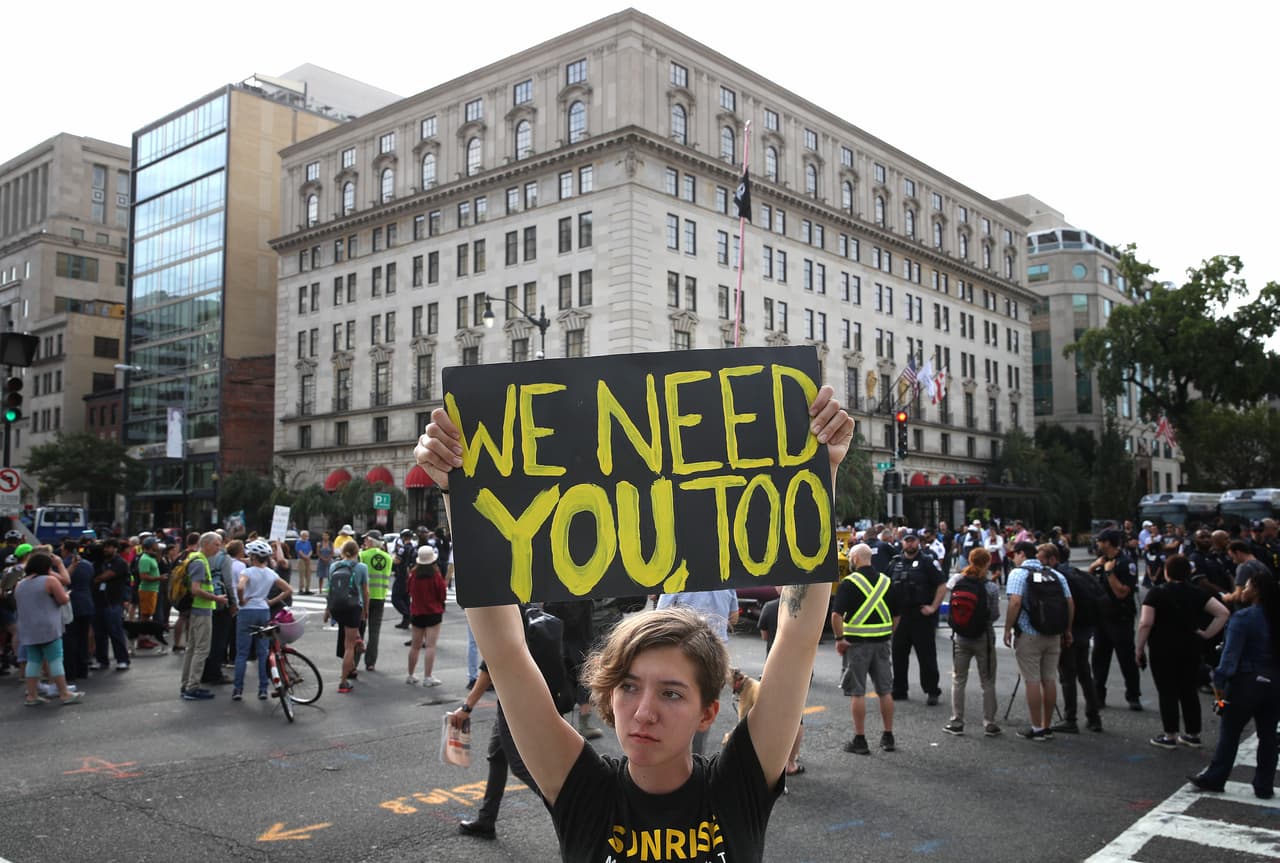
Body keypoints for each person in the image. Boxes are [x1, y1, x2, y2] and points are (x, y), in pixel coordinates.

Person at [415, 384, 852, 861]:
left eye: (671, 692)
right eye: (628, 686)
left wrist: (820, 471)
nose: (644, 711)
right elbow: (503, 648)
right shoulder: (583, 791)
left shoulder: (737, 786)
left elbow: (797, 636)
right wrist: (458, 488)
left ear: (709, 712)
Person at [1190, 568, 1280, 798]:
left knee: (1230, 733)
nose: (1244, 590)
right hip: (1274, 683)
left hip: (1246, 683)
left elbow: (1230, 656)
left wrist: (1219, 682)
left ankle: (1216, 777)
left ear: (1257, 591)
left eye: (1248, 586)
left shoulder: (1244, 618)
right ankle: (1264, 784)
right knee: (1268, 736)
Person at [1136, 554, 1229, 749]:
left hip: (1163, 647)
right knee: (1188, 690)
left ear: (1167, 572)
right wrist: (1206, 633)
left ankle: (1170, 734)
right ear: (1188, 572)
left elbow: (1146, 623)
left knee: (1167, 690)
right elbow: (1223, 612)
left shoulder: (1156, 593)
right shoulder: (1197, 592)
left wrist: (1139, 648)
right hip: (1191, 646)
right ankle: (1192, 734)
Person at [833, 543, 900, 754]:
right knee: (885, 691)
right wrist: (888, 633)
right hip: (881, 643)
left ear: (854, 559)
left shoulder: (849, 583)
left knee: (857, 692)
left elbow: (836, 616)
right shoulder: (886, 582)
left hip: (856, 645)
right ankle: (888, 736)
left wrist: (839, 639)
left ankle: (860, 739)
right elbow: (896, 615)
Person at [654, 588, 739, 755]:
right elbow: (734, 617)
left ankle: (673, 754)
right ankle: (696, 759)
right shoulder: (727, 583)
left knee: (674, 702)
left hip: (684, 654)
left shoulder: (678, 579)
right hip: (717, 654)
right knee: (704, 708)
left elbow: (660, 617)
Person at [1004, 541, 1073, 741]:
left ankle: (1036, 728)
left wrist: (1008, 628)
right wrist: (1067, 630)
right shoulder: (1055, 574)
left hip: (1028, 633)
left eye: (1014, 555)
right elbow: (1069, 602)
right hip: (1053, 634)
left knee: (1032, 680)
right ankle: (1047, 724)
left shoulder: (1018, 574)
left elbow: (1015, 602)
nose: (1013, 559)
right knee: (1049, 679)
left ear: (1021, 554)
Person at [944, 547, 1002, 737]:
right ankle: (989, 722)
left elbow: (949, 593)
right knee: (987, 680)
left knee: (959, 679)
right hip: (983, 636)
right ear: (987, 563)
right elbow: (994, 614)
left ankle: (957, 721)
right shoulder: (991, 587)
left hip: (961, 636)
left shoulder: (958, 581)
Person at [14, 552, 83, 706]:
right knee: (55, 659)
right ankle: (64, 693)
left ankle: (31, 695)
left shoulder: (20, 584)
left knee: (33, 661)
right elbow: (62, 599)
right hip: (48, 627)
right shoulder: (50, 580)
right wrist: (67, 595)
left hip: (28, 627)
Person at [888, 531, 946, 704]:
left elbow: (942, 585)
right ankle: (899, 689)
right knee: (898, 654)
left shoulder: (927, 562)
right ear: (902, 543)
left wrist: (934, 607)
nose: (910, 544)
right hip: (900, 617)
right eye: (907, 541)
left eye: (912, 541)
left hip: (921, 617)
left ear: (918, 543)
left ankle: (932, 691)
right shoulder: (895, 562)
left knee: (926, 656)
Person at [1090, 529, 1144, 711]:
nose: (1097, 544)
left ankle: (1133, 695)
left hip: (1120, 618)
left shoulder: (1125, 563)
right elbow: (1089, 584)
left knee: (1126, 658)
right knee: (1099, 658)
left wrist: (1110, 573)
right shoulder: (1102, 562)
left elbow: (1122, 592)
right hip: (1101, 618)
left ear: (1107, 543)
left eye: (1099, 541)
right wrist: (1093, 568)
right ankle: (1099, 695)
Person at [233, 539, 293, 701]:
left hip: (247, 612)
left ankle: (238, 689)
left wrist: (242, 600)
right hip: (263, 611)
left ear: (253, 557)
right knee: (263, 652)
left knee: (242, 653)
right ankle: (263, 689)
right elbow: (288, 589)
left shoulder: (248, 572)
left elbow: (240, 587)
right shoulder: (271, 573)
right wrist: (271, 602)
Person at [180, 532, 226, 701]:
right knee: (201, 650)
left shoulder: (195, 558)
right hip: (201, 610)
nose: (219, 547)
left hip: (196, 610)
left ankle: (187, 685)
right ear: (206, 544)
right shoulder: (200, 562)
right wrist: (217, 598)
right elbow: (196, 589)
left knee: (192, 649)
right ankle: (192, 687)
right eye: (216, 544)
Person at [326, 539, 369, 694]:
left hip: (337, 607)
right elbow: (365, 592)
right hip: (353, 607)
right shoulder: (361, 568)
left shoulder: (333, 566)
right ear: (357, 552)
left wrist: (327, 609)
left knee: (346, 636)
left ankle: (357, 641)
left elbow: (330, 589)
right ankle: (344, 681)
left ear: (342, 552)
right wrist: (365, 610)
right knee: (349, 646)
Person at [406, 544, 446, 686]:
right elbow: (442, 594)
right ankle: (427, 677)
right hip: (433, 612)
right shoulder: (435, 575)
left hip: (417, 612)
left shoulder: (413, 575)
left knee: (415, 646)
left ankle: (410, 675)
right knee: (430, 646)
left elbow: (409, 591)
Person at [358, 530, 394, 672]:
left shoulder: (363, 555)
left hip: (364, 597)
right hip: (380, 597)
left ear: (371, 541)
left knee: (359, 630)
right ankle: (371, 662)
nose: (365, 542)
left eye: (366, 540)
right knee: (374, 632)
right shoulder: (388, 558)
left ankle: (354, 662)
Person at [295, 530, 314, 595]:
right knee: (302, 575)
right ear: (301, 536)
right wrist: (306, 557)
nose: (306, 537)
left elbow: (311, 550)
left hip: (308, 559)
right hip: (301, 559)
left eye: (307, 536)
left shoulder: (308, 542)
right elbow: (299, 551)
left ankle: (307, 589)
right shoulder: (298, 543)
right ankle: (301, 589)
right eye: (304, 536)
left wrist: (308, 556)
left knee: (308, 575)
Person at [315, 531, 333, 595]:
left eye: (326, 535)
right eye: (323, 535)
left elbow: (332, 552)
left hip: (329, 560)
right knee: (321, 576)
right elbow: (318, 553)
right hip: (321, 561)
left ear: (328, 536)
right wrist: (323, 558)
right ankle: (320, 590)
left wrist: (328, 559)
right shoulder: (320, 544)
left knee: (330, 575)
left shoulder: (331, 543)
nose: (324, 537)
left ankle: (330, 589)